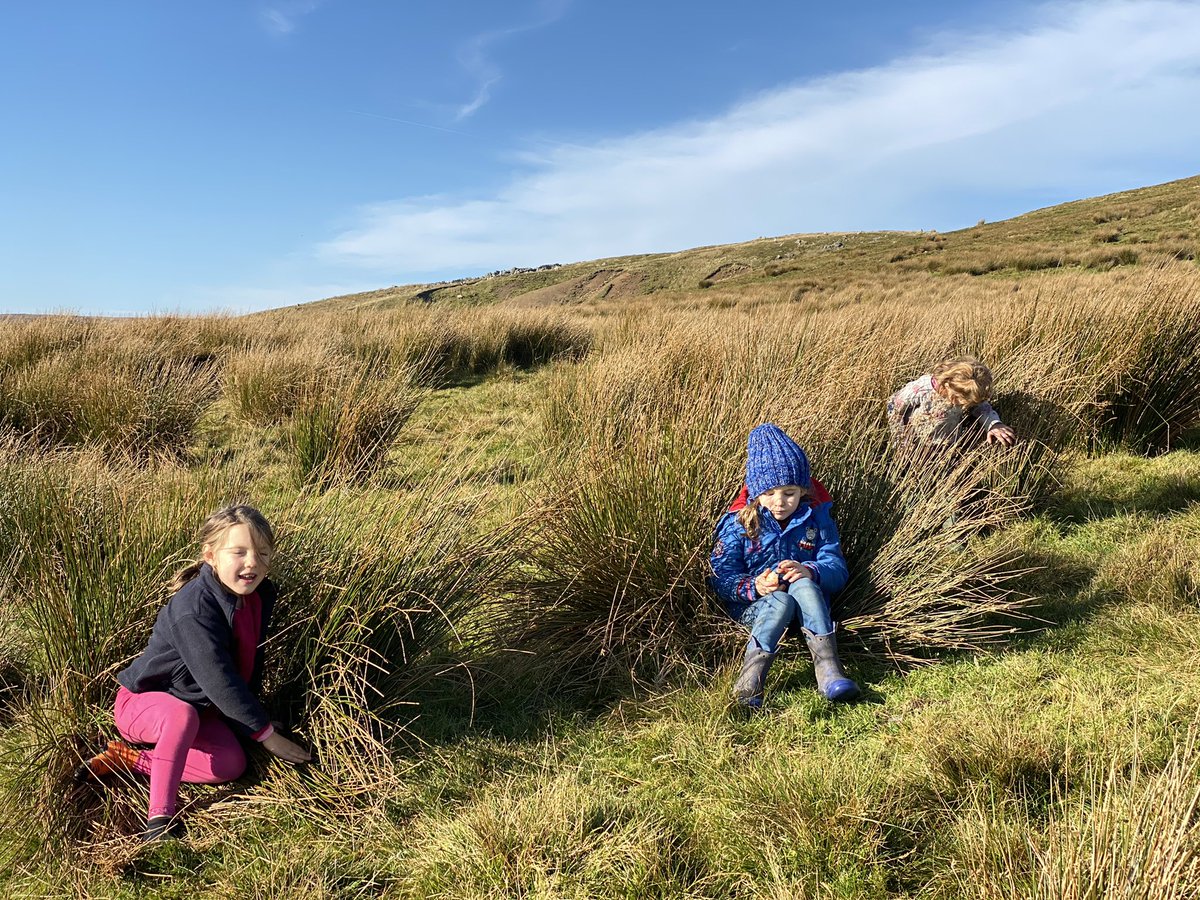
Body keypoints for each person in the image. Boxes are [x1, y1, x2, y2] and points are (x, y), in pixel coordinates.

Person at [76, 505, 311, 841]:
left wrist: (254, 721)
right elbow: (218, 678)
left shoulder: (259, 596)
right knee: (181, 715)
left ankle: (128, 760)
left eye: (262, 552)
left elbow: (248, 664)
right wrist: (265, 736)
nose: (252, 562)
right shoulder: (195, 608)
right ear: (211, 556)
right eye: (239, 552)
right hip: (142, 706)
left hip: (200, 711)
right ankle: (159, 820)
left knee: (231, 764)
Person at [709, 424, 859, 708]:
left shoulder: (817, 518)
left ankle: (829, 672)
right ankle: (750, 681)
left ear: (804, 489)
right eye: (769, 493)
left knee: (804, 584)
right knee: (779, 600)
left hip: (809, 607)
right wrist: (755, 586)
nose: (780, 503)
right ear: (755, 492)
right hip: (759, 608)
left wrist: (811, 570)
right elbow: (720, 577)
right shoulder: (738, 524)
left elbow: (837, 568)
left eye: (789, 493)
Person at [886, 356, 1017, 448]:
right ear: (948, 386)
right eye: (963, 401)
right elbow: (894, 406)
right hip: (917, 445)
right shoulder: (920, 390)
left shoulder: (962, 391)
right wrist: (901, 443)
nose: (965, 405)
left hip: (948, 446)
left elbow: (981, 407)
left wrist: (993, 424)